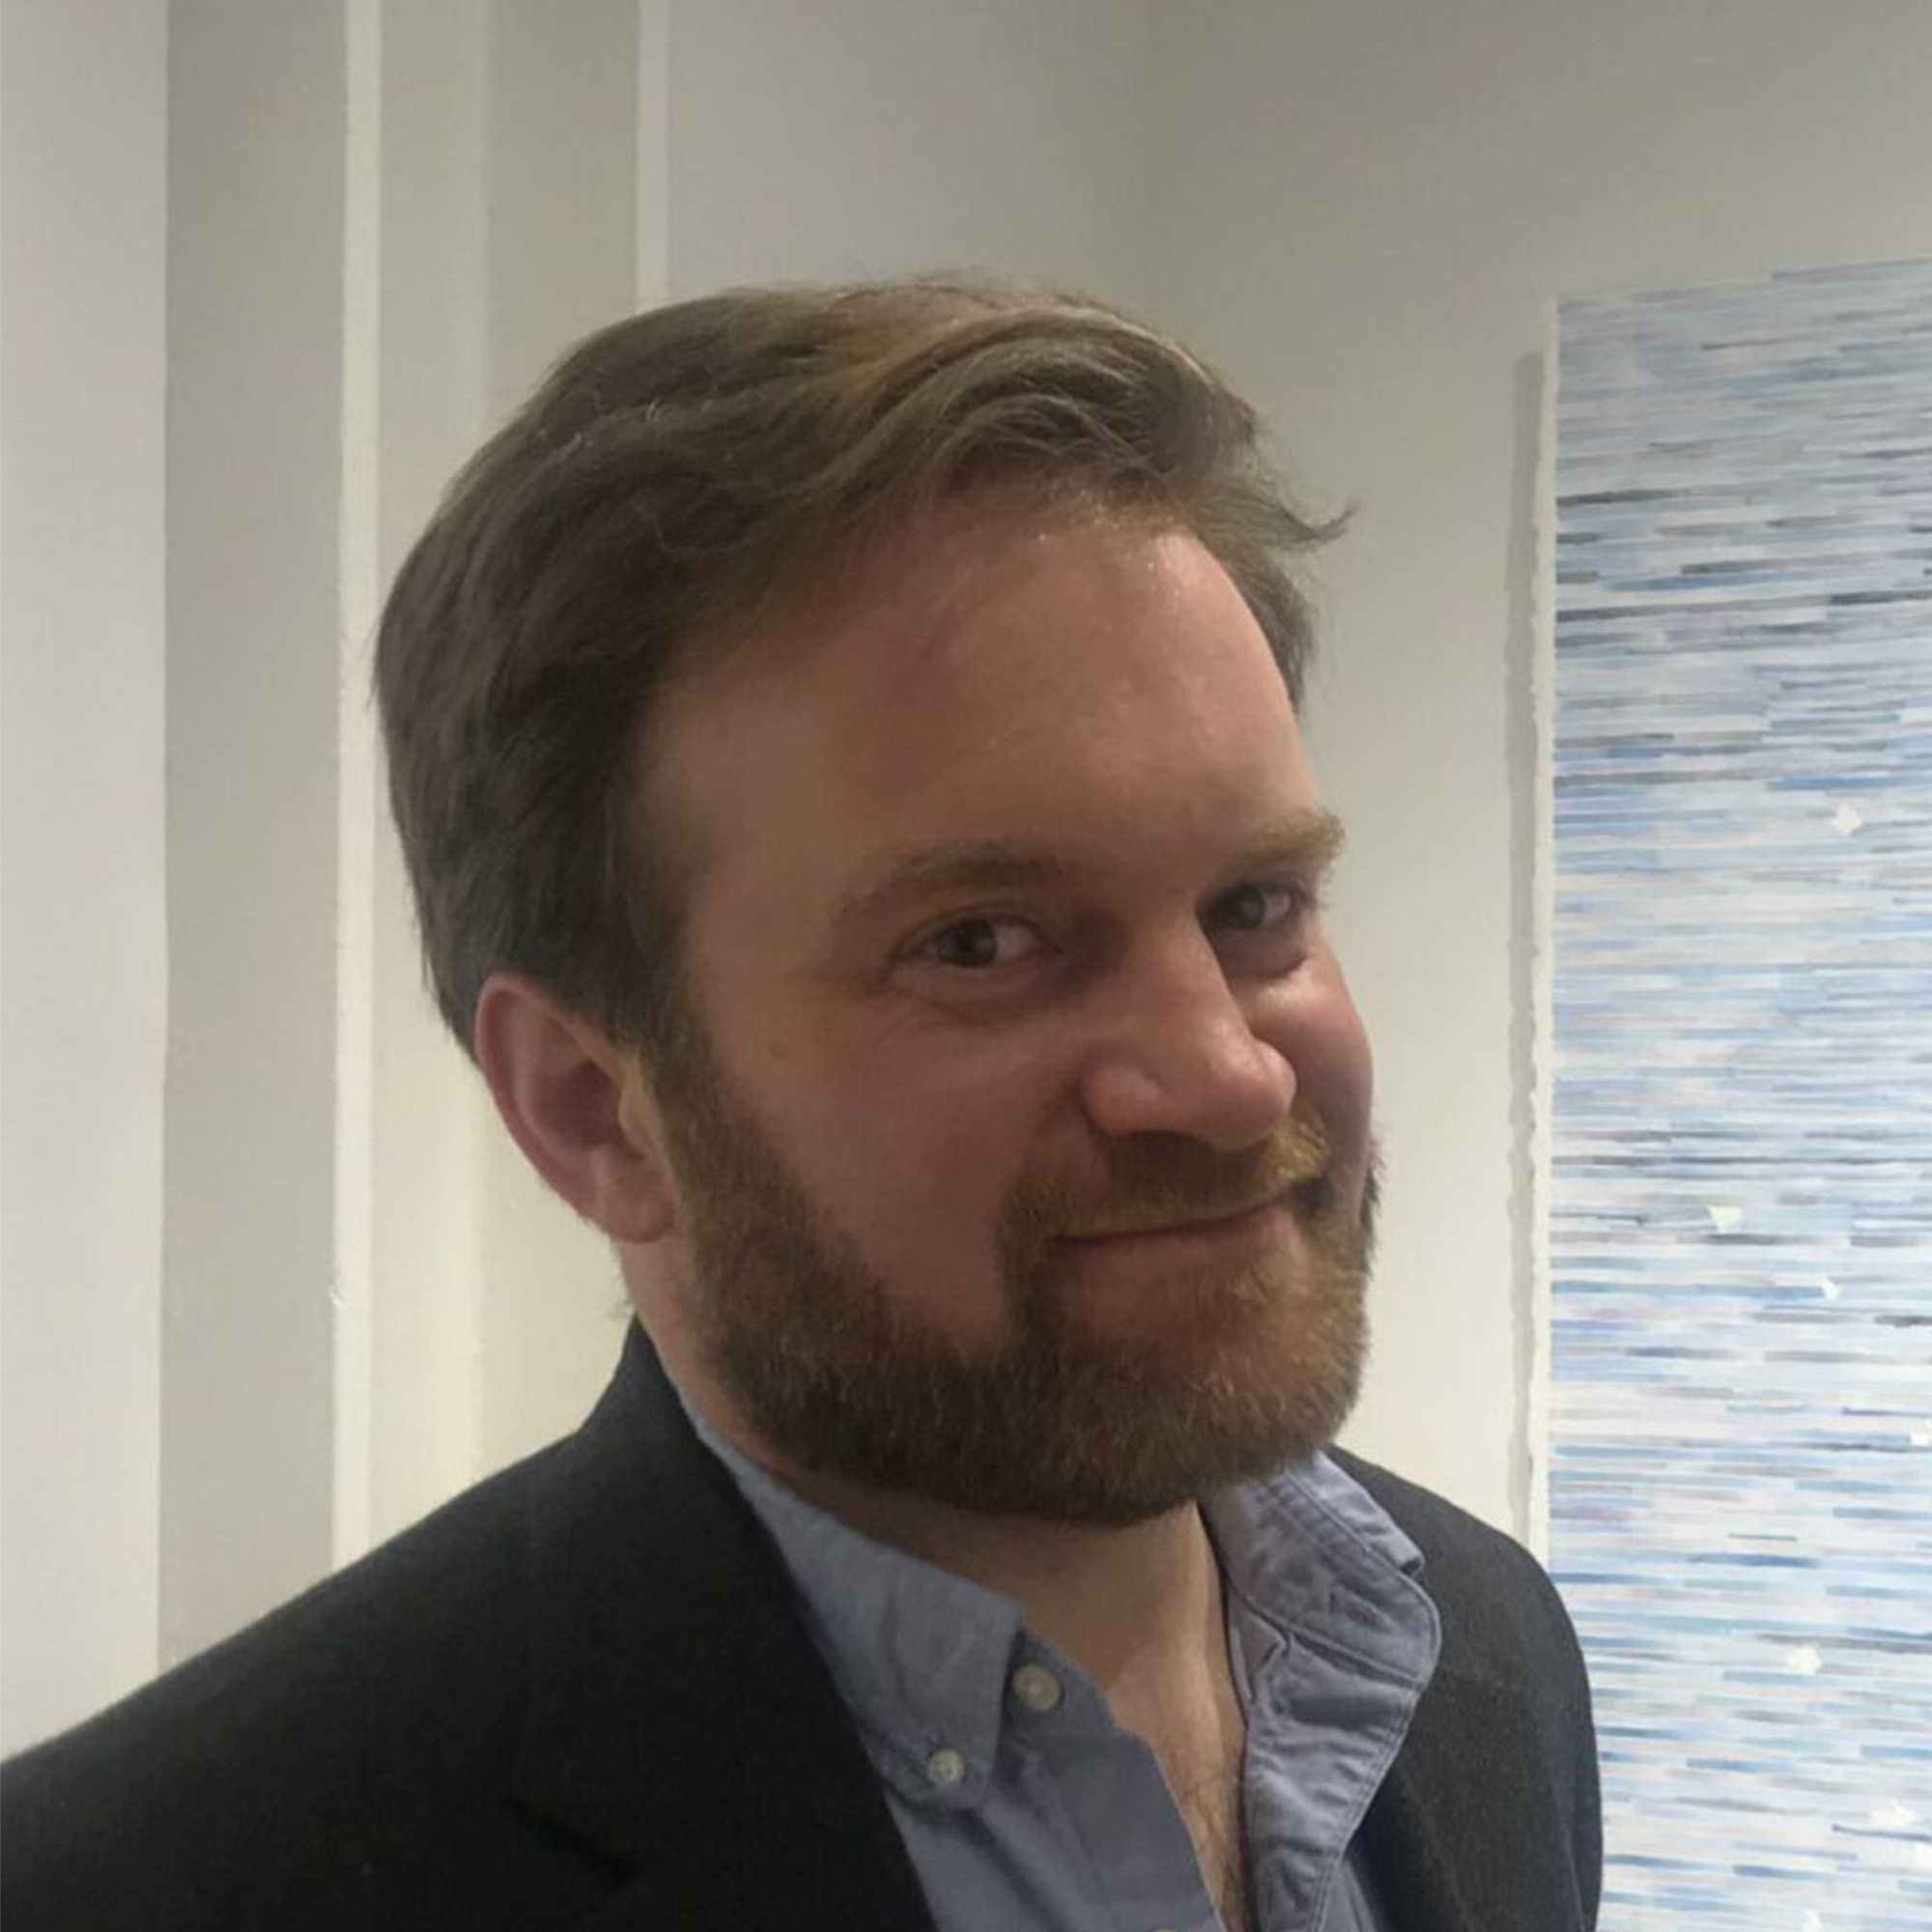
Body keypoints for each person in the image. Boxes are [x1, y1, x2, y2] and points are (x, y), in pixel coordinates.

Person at [2, 278, 1599, 1932]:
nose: (1226, 1073)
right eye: (981, 941)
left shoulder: (1482, 1654)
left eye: (1256, 906)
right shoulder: (147, 1882)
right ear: (593, 1110)